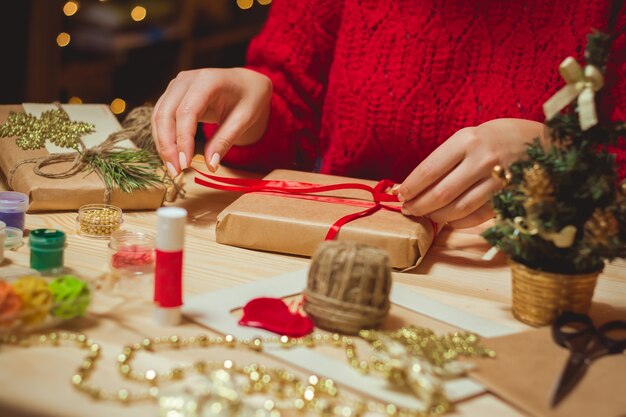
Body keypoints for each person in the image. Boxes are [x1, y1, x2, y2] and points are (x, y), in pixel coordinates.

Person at [152, 0, 626, 228]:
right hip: (333, 259)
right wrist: (255, 109)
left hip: (518, 289)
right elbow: (293, 113)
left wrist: (558, 157)